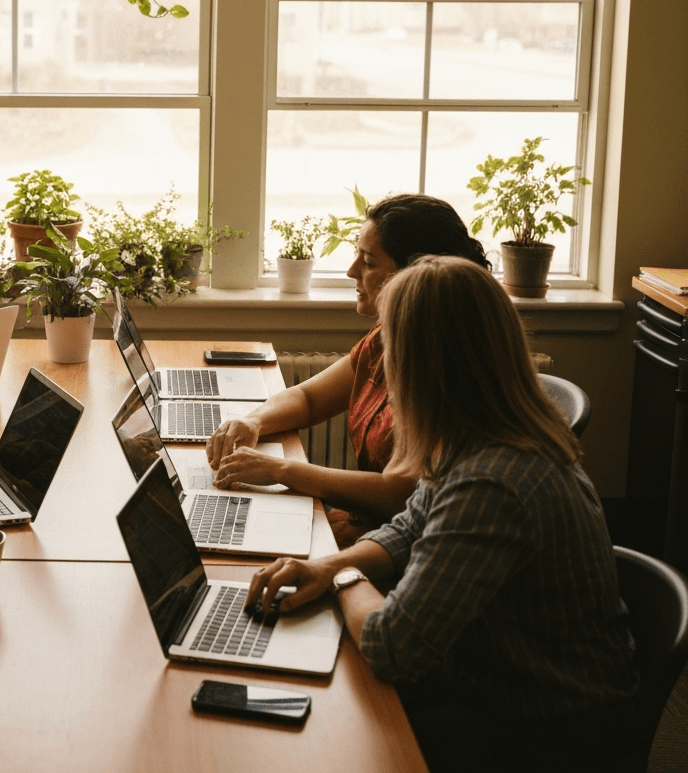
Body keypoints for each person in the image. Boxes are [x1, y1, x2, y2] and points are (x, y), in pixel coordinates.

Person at [245, 256, 637, 773]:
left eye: (392, 352)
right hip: (495, 685)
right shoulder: (480, 437)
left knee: (316, 739)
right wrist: (322, 566)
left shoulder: (493, 480)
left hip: (540, 732)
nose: (382, 368)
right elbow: (409, 528)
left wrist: (342, 573)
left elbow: (391, 647)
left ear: (424, 365)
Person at [207, 194, 490, 544]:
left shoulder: (450, 369)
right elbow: (309, 398)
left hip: (397, 541)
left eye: (368, 262)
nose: (351, 271)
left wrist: (281, 470)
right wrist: (254, 421)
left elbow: (401, 494)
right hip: (365, 526)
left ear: (412, 276)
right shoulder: (386, 336)